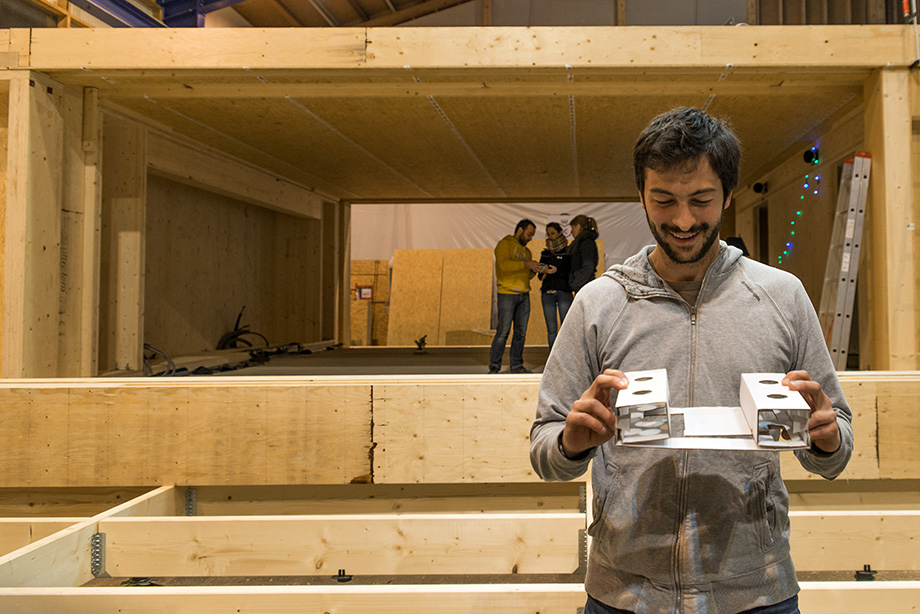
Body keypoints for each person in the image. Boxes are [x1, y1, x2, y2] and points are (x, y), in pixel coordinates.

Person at [530, 107, 853, 614]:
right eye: (663, 201)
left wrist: (826, 439)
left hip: (757, 590)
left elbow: (838, 441)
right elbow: (543, 448)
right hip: (625, 594)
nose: (683, 221)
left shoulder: (781, 296)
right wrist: (571, 444)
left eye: (701, 200)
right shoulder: (599, 303)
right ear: (641, 196)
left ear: (727, 194)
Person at [489, 219, 542, 374]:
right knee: (503, 332)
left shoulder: (527, 252)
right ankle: (494, 367)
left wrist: (533, 271)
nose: (530, 238)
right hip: (507, 294)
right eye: (529, 234)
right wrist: (526, 265)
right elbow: (503, 266)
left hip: (523, 295)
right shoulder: (504, 244)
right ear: (520, 230)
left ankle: (517, 366)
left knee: (520, 334)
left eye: (532, 235)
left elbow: (524, 275)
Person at [539, 222, 573, 351]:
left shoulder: (568, 252)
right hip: (547, 292)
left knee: (566, 326)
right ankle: (553, 357)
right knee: (551, 329)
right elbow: (539, 275)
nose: (550, 236)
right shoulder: (545, 253)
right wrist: (543, 270)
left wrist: (556, 270)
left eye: (553, 233)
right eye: (548, 234)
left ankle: (567, 356)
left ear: (560, 233)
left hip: (564, 291)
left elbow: (570, 271)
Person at [567, 214, 600, 293]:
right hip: (583, 284)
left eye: (573, 228)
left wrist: (575, 283)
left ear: (578, 227)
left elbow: (588, 266)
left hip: (583, 285)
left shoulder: (586, 243)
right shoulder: (585, 242)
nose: (571, 232)